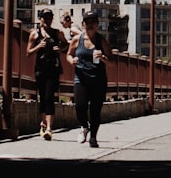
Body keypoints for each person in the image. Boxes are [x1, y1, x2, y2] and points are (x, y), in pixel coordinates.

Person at [66, 11, 111, 148]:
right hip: (81, 79)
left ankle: (93, 138)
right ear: (83, 24)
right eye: (87, 22)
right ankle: (84, 126)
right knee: (80, 106)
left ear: (97, 24)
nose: (90, 25)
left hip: (98, 80)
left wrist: (103, 57)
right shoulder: (77, 39)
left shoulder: (101, 40)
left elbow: (113, 62)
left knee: (95, 110)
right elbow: (68, 54)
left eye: (93, 22)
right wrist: (71, 60)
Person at [26, 8, 66, 140]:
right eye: (45, 18)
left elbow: (67, 45)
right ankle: (43, 124)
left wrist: (60, 49)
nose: (48, 20)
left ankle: (49, 128)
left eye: (50, 18)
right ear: (40, 19)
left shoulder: (57, 33)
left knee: (49, 97)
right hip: (40, 69)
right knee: (42, 97)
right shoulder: (35, 34)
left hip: (53, 68)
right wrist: (38, 47)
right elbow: (28, 53)